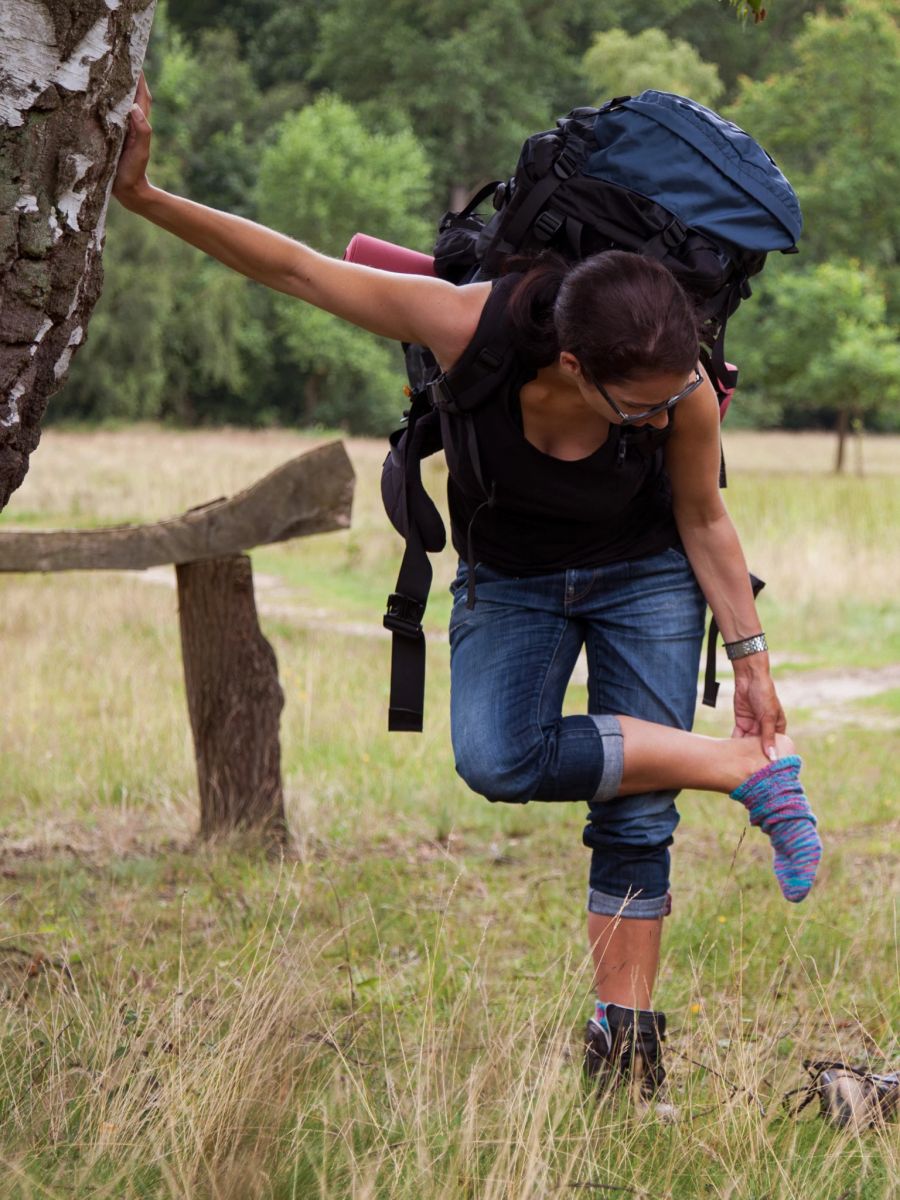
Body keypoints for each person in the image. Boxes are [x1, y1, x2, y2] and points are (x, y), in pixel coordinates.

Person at [113, 76, 821, 1113]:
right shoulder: (468, 325)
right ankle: (743, 772)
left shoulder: (684, 390)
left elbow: (705, 519)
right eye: (642, 403)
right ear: (575, 366)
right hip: (517, 577)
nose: (664, 412)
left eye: (675, 394)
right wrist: (143, 195)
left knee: (637, 815)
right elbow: (295, 270)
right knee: (497, 757)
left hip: (645, 575)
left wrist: (752, 659)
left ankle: (624, 1058)